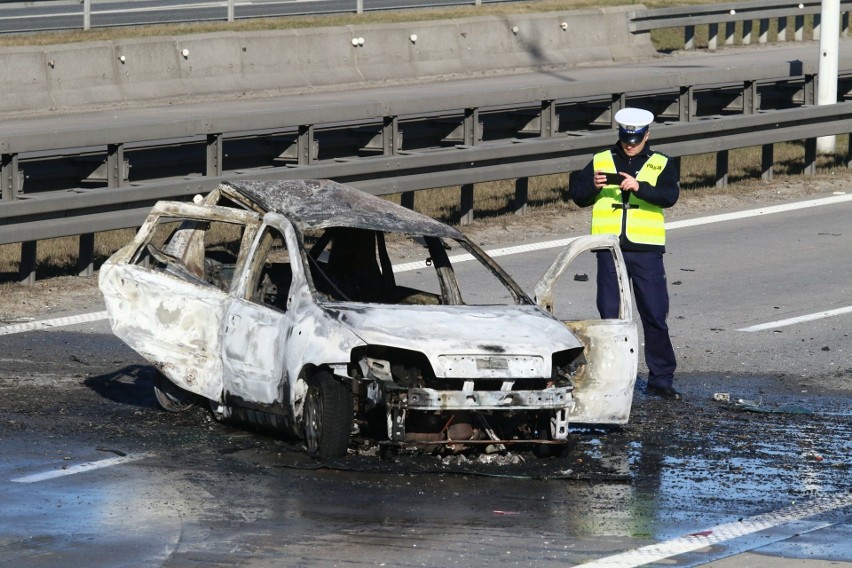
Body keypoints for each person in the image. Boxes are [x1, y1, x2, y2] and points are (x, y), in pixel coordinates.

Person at [569, 107, 681, 400]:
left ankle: (661, 379)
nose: (630, 144)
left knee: (655, 314)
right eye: (626, 138)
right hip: (609, 249)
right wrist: (591, 186)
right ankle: (614, 377)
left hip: (646, 251)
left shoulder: (661, 163)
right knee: (610, 318)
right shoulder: (601, 160)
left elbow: (669, 196)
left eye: (636, 138)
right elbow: (578, 196)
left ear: (647, 135)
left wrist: (640, 187)